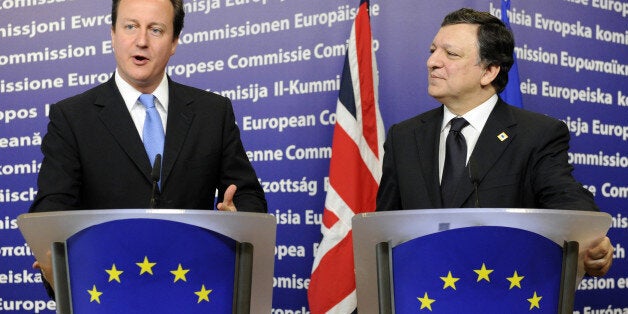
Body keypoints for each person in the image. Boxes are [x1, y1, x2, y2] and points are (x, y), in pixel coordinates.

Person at [29, 0, 267, 295]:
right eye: (130, 27)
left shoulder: (213, 113)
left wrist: (238, 223)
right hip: (108, 291)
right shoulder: (72, 117)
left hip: (193, 290)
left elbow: (246, 195)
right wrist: (57, 269)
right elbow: (52, 207)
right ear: (112, 34)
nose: (141, 41)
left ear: (174, 42)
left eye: (156, 30)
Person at [375, 8, 613, 277]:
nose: (432, 62)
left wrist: (591, 238)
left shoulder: (536, 133)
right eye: (432, 50)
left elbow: (566, 197)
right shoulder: (403, 136)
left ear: (489, 71)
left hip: (498, 290)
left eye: (450, 54)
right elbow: (386, 226)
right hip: (423, 295)